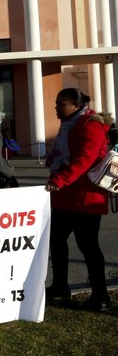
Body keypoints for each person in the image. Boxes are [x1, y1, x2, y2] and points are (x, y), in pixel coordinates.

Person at [44, 88, 113, 310]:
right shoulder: (71, 125)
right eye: (56, 103)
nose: (56, 108)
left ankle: (100, 296)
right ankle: (60, 287)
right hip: (68, 197)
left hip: (85, 197)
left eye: (60, 104)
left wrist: (60, 180)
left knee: (88, 245)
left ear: (75, 105)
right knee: (56, 240)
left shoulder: (89, 125)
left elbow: (85, 158)